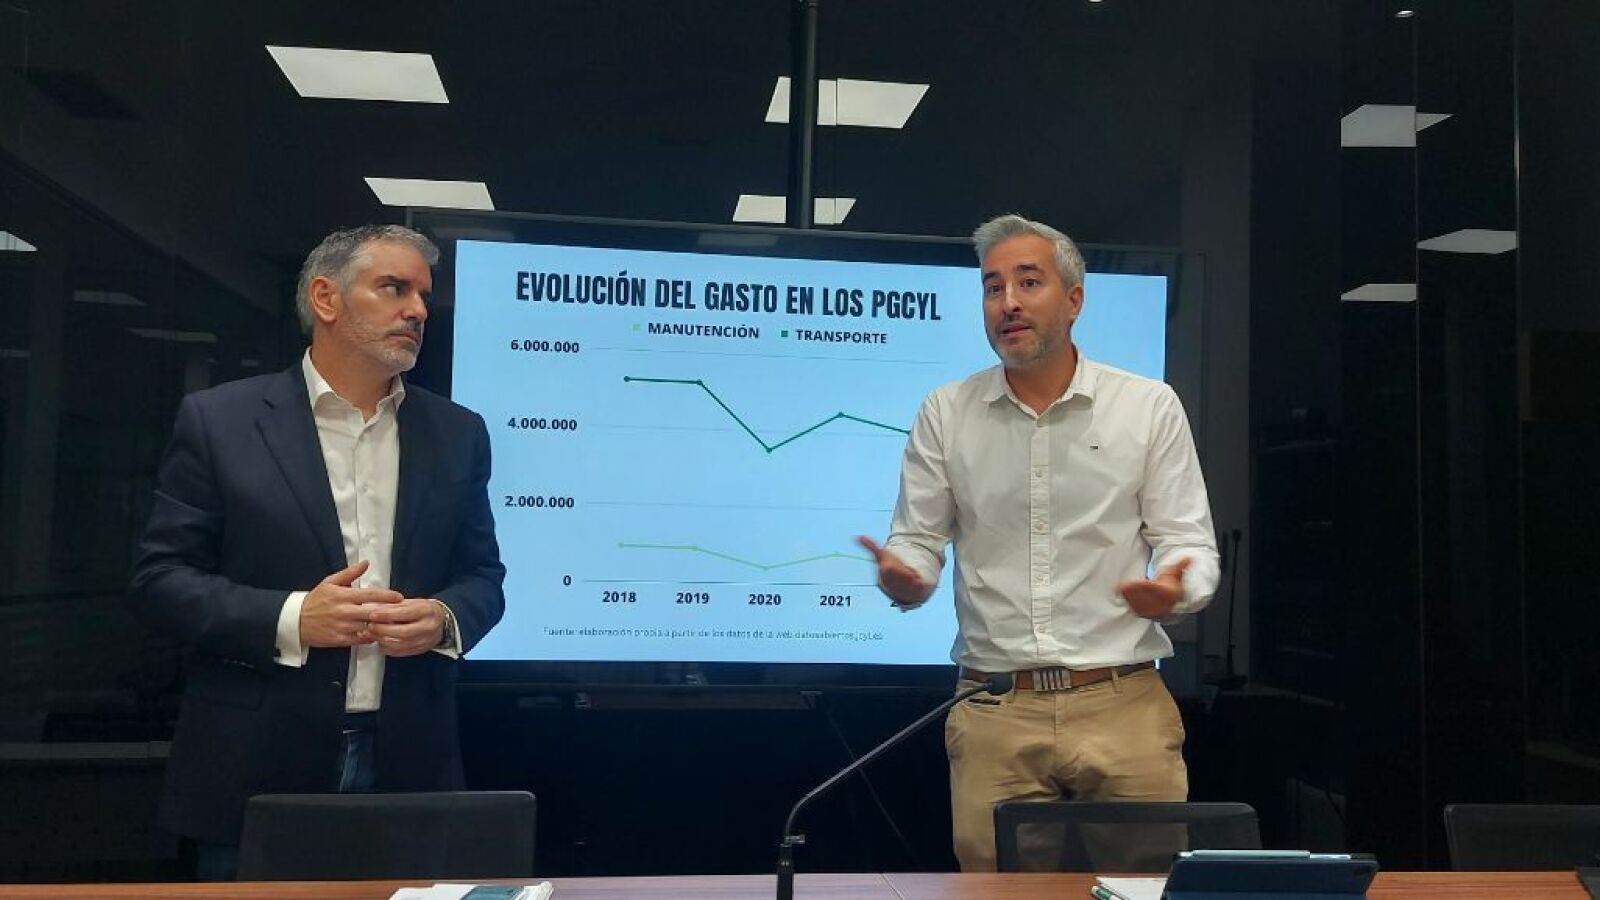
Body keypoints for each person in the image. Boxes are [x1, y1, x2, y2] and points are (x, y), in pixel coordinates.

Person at [130, 224, 505, 879]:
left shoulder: (458, 433)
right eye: (395, 288)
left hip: (411, 761)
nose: (419, 310)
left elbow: (483, 577)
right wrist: (293, 617)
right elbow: (160, 580)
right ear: (326, 298)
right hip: (255, 762)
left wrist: (444, 619)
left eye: (424, 294)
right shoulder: (220, 422)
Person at [858, 214, 1219, 871]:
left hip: (1123, 701)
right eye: (993, 287)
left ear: (1074, 299)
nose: (1008, 303)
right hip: (996, 709)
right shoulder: (947, 411)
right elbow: (916, 539)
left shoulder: (1147, 406)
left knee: (1146, 886)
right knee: (999, 892)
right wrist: (906, 576)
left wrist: (1173, 590)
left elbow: (1186, 541)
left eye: (1028, 282)